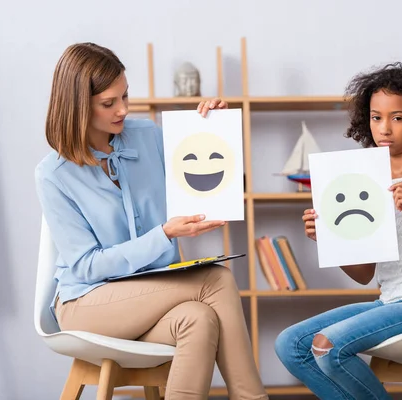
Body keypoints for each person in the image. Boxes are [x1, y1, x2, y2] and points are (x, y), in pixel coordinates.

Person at [35, 42, 268, 400]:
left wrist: (216, 133)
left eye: (125, 96)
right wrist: (163, 235)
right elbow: (85, 265)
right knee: (216, 280)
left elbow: (220, 189)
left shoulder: (148, 137)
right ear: (78, 106)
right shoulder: (53, 175)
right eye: (109, 103)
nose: (123, 110)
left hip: (155, 295)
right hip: (87, 304)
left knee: (198, 319)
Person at [274, 62, 402, 400]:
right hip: (390, 301)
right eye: (376, 117)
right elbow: (364, 274)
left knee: (328, 346)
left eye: (397, 118)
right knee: (291, 345)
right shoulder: (365, 178)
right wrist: (331, 238)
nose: (384, 128)